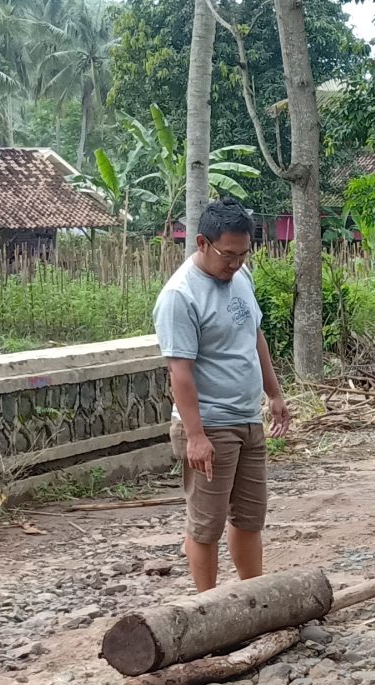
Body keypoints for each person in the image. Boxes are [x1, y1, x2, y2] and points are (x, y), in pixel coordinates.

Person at [154, 200, 290, 591]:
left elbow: (254, 335)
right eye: (227, 254)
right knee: (206, 523)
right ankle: (208, 607)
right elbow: (179, 372)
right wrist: (196, 436)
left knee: (249, 518)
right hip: (210, 425)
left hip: (247, 418)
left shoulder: (241, 275)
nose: (234, 263)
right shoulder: (180, 296)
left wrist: (274, 394)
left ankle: (253, 597)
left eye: (243, 253)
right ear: (201, 242)